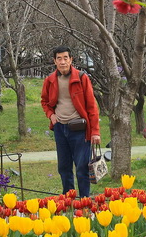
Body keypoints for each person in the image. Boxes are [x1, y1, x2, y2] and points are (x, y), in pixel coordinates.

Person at [40, 47, 101, 198]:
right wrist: (51, 115)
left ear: (71, 59)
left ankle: (85, 201)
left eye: (65, 58)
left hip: (79, 128)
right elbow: (44, 101)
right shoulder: (50, 80)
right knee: (64, 167)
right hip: (60, 128)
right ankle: (69, 201)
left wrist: (95, 132)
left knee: (82, 167)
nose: (63, 62)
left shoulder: (81, 78)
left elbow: (92, 106)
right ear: (54, 61)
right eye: (59, 58)